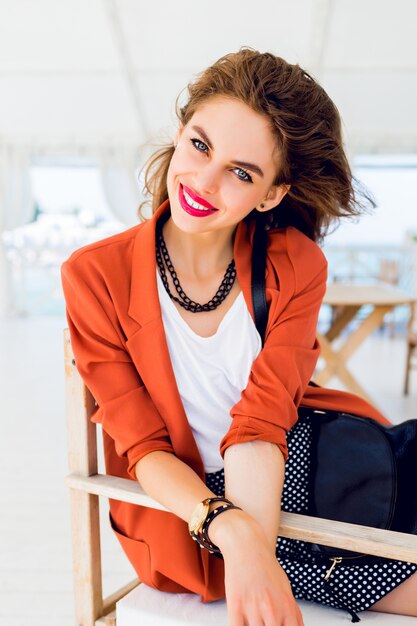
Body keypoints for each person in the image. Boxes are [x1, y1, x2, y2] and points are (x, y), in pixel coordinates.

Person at [61, 48, 417, 625]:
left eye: (241, 172)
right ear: (179, 134)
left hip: (292, 457)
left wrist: (256, 535)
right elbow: (143, 447)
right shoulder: (95, 274)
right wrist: (240, 537)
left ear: (272, 193)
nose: (203, 182)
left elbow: (263, 422)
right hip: (191, 509)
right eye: (200, 145)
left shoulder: (293, 262)